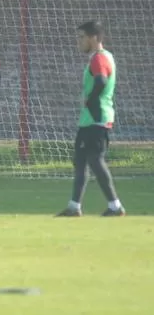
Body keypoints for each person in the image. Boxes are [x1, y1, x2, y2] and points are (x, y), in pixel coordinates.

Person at [56, 21, 126, 217]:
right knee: (80, 161)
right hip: (89, 120)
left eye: (82, 37)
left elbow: (101, 81)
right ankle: (74, 206)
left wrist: (89, 100)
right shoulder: (103, 57)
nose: (79, 41)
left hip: (97, 117)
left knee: (95, 160)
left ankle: (115, 206)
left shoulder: (99, 58)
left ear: (94, 38)